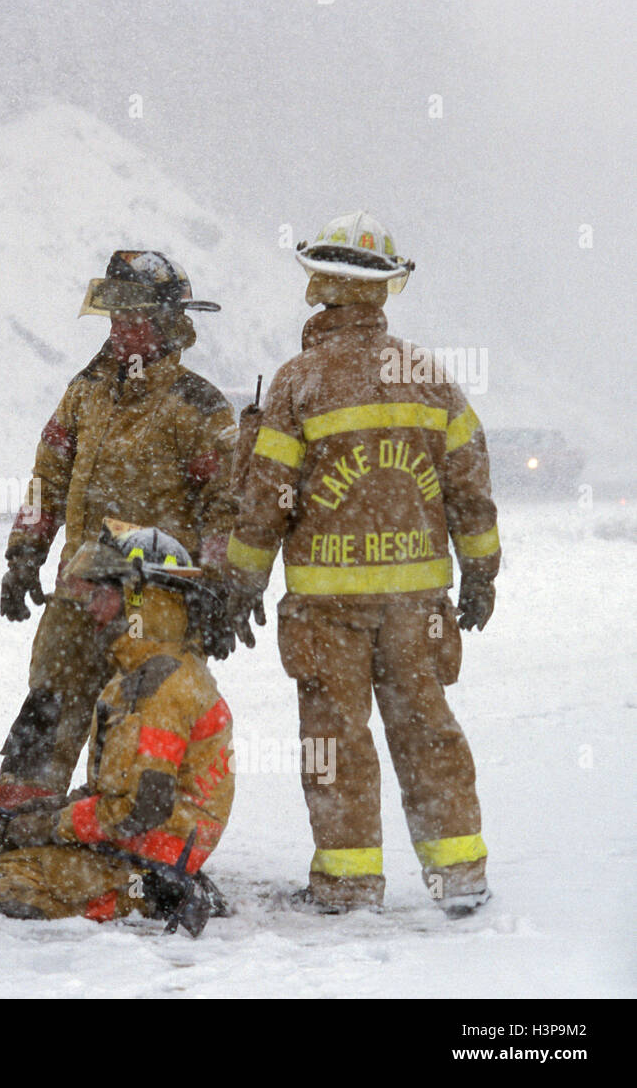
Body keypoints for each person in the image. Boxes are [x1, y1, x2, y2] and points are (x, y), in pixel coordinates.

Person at [224, 211, 500, 917]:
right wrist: (481, 571)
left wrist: (242, 581)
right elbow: (471, 485)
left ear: (321, 287)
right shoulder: (429, 376)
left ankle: (348, 888)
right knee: (429, 734)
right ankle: (458, 876)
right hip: (418, 609)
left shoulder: (299, 383)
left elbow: (265, 500)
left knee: (334, 745)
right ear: (383, 292)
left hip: (325, 613)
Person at [0, 251, 238, 873]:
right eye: (113, 316)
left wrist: (216, 588)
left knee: (131, 718)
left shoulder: (200, 406)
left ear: (167, 325)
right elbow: (46, 478)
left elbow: (225, 506)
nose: (118, 330)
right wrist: (23, 556)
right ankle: (15, 835)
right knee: (46, 707)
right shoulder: (85, 392)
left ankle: (122, 845)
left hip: (153, 602)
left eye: (132, 318)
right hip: (76, 591)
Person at [0, 521, 234, 925]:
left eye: (101, 594)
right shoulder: (137, 674)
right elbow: (117, 789)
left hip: (151, 858)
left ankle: (151, 899)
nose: (89, 607)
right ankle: (158, 888)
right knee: (7, 862)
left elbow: (142, 809)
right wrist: (53, 807)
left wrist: (53, 826)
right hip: (142, 848)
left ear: (139, 598)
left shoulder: (160, 688)